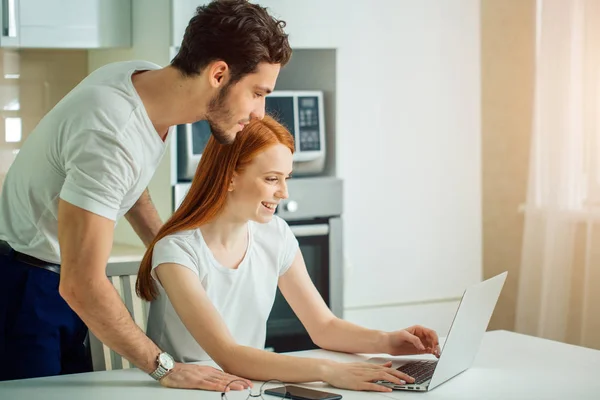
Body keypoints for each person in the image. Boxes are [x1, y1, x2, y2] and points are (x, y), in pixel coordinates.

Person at [0, 0, 291, 389]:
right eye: (257, 92)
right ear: (219, 73)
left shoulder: (144, 84)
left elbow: (128, 186)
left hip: (51, 282)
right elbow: (81, 283)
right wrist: (165, 368)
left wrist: (167, 247)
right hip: (26, 288)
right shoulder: (112, 130)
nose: (260, 112)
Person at [135, 116, 442, 393]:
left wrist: (387, 342)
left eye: (287, 178)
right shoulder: (177, 250)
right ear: (229, 177)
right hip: (182, 391)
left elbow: (323, 326)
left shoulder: (275, 234)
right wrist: (329, 371)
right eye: (271, 179)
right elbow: (228, 354)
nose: (284, 193)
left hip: (247, 386)